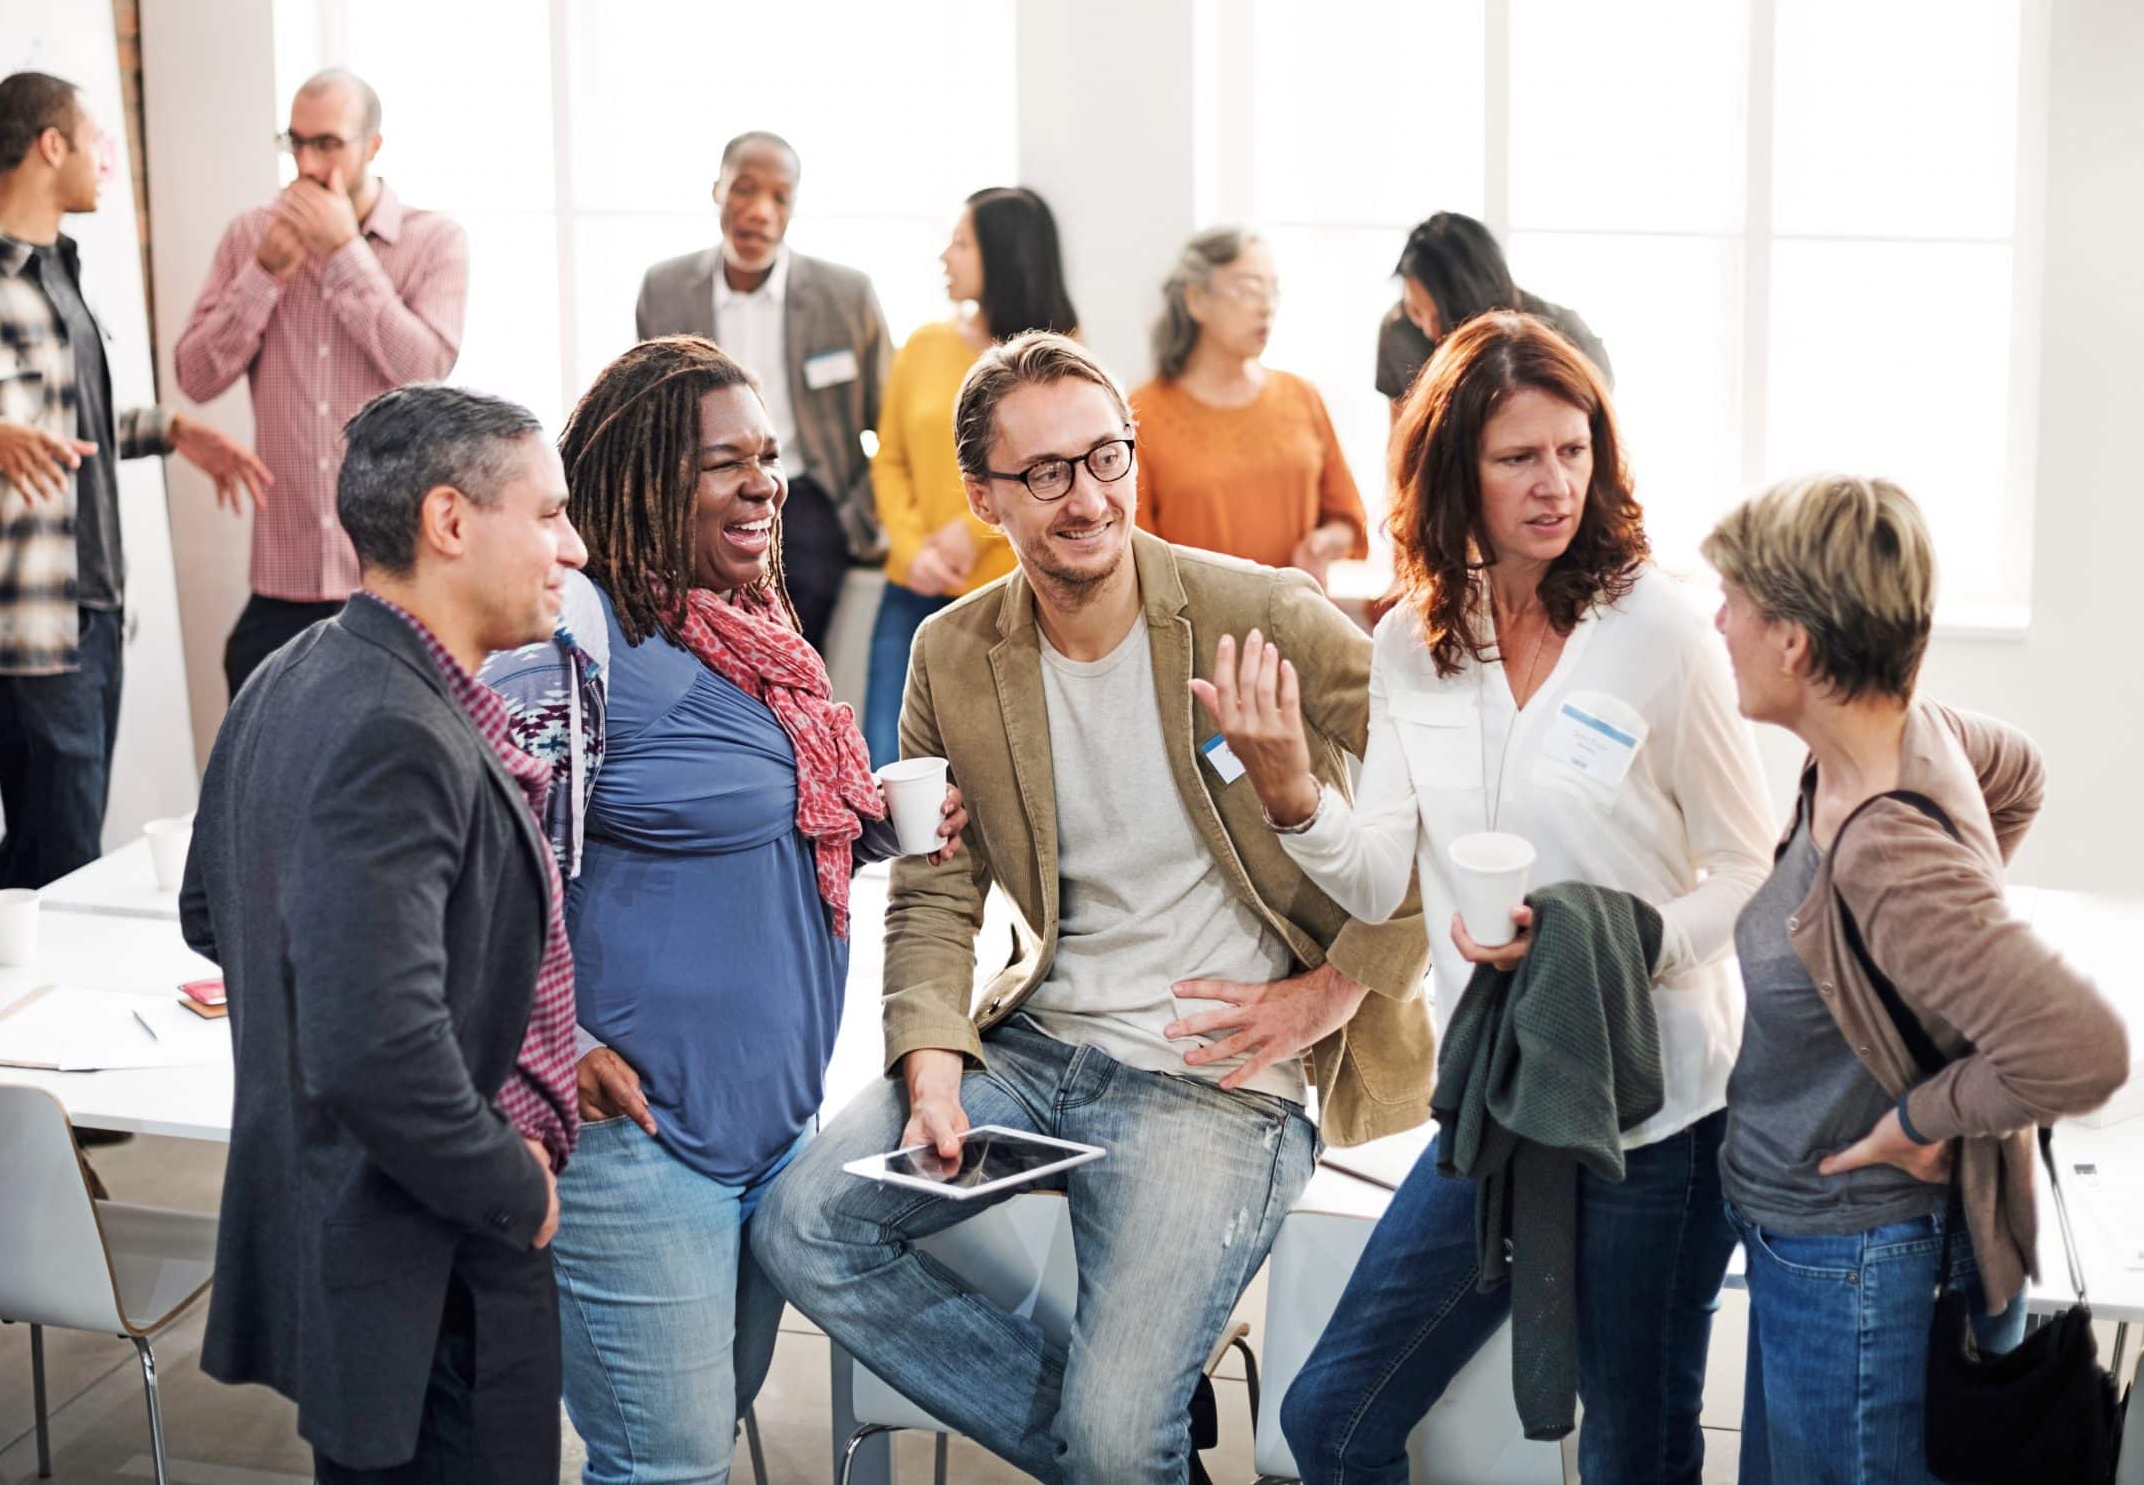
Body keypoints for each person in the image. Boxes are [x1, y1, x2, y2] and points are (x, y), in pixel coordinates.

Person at [754, 332, 1433, 1482]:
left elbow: (1446, 800)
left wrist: (1330, 994)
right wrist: (929, 1065)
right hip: (1034, 1053)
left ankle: (1124, 1445)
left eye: (1105, 456)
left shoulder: (1258, 610)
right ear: (983, 497)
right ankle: (1120, 1448)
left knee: (1123, 1435)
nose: (1088, 497)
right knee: (800, 1227)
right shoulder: (952, 654)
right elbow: (931, 885)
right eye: (1047, 473)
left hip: (1215, 1083)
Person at [1260, 311, 1776, 1484]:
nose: (1554, 485)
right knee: (1332, 1417)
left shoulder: (1659, 632)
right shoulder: (1413, 643)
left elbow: (1751, 871)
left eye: (1574, 449)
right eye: (1517, 459)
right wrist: (1293, 792)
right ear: (1455, 472)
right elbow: (1380, 868)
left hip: (1659, 1108)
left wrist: (1621, 944)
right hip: (1495, 1096)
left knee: (1632, 1452)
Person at [481, 335, 966, 1483]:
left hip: (766, 1127)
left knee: (705, 1427)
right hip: (639, 1142)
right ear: (637, 480)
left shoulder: (747, 632)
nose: (764, 485)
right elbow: (475, 880)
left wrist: (877, 829)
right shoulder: (572, 646)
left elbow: (748, 819)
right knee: (664, 1464)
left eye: (769, 456)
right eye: (722, 463)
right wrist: (563, 1044)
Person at [182, 384, 585, 1482]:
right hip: (442, 1258)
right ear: (448, 522)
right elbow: (371, 1043)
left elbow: (209, 912)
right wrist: (514, 1184)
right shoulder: (399, 731)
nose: (574, 548)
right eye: (547, 515)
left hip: (367, 1247)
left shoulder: (288, 676)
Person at [1701, 475, 2127, 1484]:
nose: (1717, 624)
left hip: (1851, 1261)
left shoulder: (1882, 842)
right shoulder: (1896, 736)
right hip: (1810, 1241)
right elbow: (2017, 770)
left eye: (1734, 604)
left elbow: (2080, 1049)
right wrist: (1931, 962)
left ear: (1795, 641)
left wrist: (1920, 1114)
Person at [0, 71, 268, 893]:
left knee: (51, 844)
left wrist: (168, 430)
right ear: (49, 145)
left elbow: (69, 426)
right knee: (61, 853)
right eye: (94, 139)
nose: (107, 159)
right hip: (21, 628)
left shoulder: (62, 269)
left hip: (96, 608)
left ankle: (2, 1002)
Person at [177, 68, 471, 697]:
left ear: (373, 146)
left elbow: (424, 370)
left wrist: (343, 253)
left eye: (328, 144)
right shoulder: (252, 236)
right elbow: (195, 376)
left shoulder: (435, 241)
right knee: (267, 780)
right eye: (296, 142)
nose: (307, 164)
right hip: (281, 585)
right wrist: (264, 273)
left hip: (395, 579)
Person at [633, 132, 893, 654]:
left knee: (795, 650)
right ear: (717, 192)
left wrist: (870, 516)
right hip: (700, 499)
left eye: (779, 197)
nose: (759, 211)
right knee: (701, 648)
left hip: (811, 502)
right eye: (744, 191)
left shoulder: (847, 296)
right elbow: (650, 418)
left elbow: (888, 419)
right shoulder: (664, 289)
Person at [860, 186, 1076, 766]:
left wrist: (970, 528)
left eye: (961, 244)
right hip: (914, 590)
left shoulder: (1058, 361)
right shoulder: (923, 346)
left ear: (1003, 256)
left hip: (1016, 591)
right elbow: (890, 458)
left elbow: (1054, 471)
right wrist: (914, 553)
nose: (945, 257)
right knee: (892, 765)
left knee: (1004, 766)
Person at [1132, 226, 1368, 585]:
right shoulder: (1141, 414)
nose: (1266, 306)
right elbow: (1133, 558)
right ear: (1196, 300)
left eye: (1273, 290)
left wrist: (1323, 544)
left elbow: (1348, 521)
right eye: (1248, 289)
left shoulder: (1301, 396)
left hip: (1298, 624)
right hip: (1197, 633)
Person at [1375, 211, 1611, 420]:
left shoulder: (1566, 338)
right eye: (1415, 311)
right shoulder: (1400, 328)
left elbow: (1595, 445)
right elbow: (1401, 443)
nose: (1428, 330)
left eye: (1442, 317)